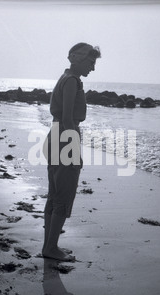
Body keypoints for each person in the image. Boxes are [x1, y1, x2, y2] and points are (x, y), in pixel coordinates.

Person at [42, 43, 101, 261]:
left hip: (55, 135)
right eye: (90, 62)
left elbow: (63, 119)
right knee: (63, 197)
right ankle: (51, 248)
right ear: (75, 58)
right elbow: (68, 119)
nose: (92, 68)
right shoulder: (72, 82)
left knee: (54, 195)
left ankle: (49, 246)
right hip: (65, 138)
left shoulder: (65, 78)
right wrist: (75, 150)